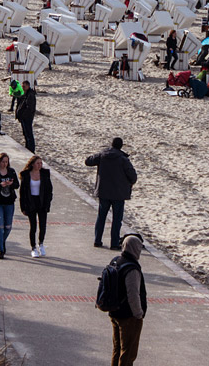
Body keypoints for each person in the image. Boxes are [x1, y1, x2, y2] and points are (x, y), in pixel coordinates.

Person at [86, 137, 137, 249]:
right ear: (121, 146)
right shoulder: (123, 159)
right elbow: (133, 176)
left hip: (103, 192)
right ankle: (114, 243)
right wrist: (130, 183)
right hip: (118, 194)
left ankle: (97, 240)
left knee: (101, 217)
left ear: (111, 144)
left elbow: (88, 161)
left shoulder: (102, 155)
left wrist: (100, 154)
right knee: (117, 219)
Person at [106, 234, 147, 366]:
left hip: (114, 311)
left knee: (117, 349)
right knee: (128, 353)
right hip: (128, 316)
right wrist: (139, 314)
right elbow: (133, 294)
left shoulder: (116, 261)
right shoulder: (132, 269)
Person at [19, 155, 53, 258]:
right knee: (33, 226)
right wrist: (23, 207)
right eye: (38, 163)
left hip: (42, 202)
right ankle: (33, 247)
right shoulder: (26, 175)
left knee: (42, 225)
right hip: (31, 202)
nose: (39, 165)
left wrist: (48, 203)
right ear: (32, 164)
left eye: (41, 163)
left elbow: (49, 190)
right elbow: (22, 193)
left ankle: (41, 243)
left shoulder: (44, 174)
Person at [15, 80, 36, 151]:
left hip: (27, 117)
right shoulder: (23, 93)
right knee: (25, 133)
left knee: (29, 133)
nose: (23, 88)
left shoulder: (30, 95)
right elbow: (19, 104)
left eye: (24, 86)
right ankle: (28, 147)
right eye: (22, 86)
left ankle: (31, 149)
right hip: (23, 117)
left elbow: (30, 107)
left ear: (28, 86)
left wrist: (23, 115)